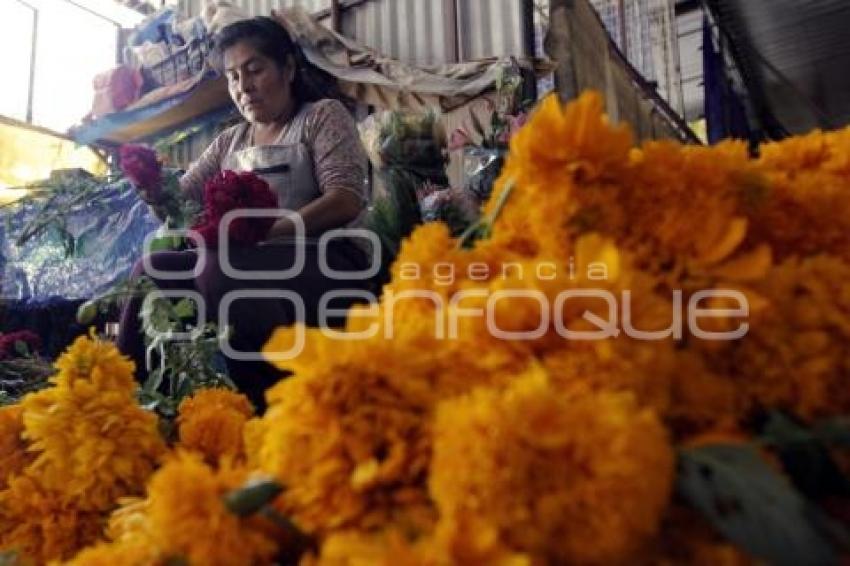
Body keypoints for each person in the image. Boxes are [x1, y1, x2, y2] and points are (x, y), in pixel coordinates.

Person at [117, 16, 372, 410]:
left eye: (254, 70)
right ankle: (129, 398)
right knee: (152, 269)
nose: (243, 87)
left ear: (287, 68)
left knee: (222, 265)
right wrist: (153, 188)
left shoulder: (321, 116)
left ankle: (264, 402)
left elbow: (346, 198)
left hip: (328, 258)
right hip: (252, 261)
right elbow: (182, 201)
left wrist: (269, 232)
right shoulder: (229, 142)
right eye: (233, 77)